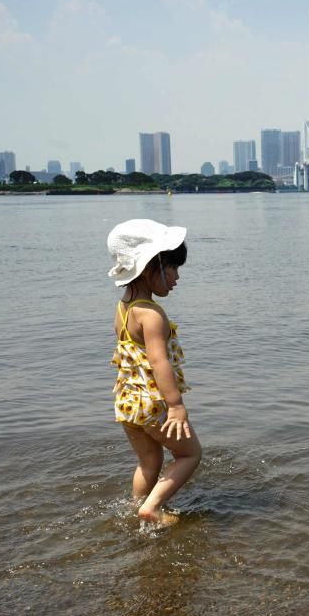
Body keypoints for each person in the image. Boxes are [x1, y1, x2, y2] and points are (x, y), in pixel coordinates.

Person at [107, 219, 202, 524]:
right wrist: (175, 407)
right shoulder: (151, 314)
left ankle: (137, 509)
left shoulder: (124, 309)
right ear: (151, 267)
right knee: (190, 455)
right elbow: (159, 362)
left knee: (149, 461)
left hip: (129, 401)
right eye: (173, 268)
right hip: (154, 403)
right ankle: (152, 508)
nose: (177, 277)